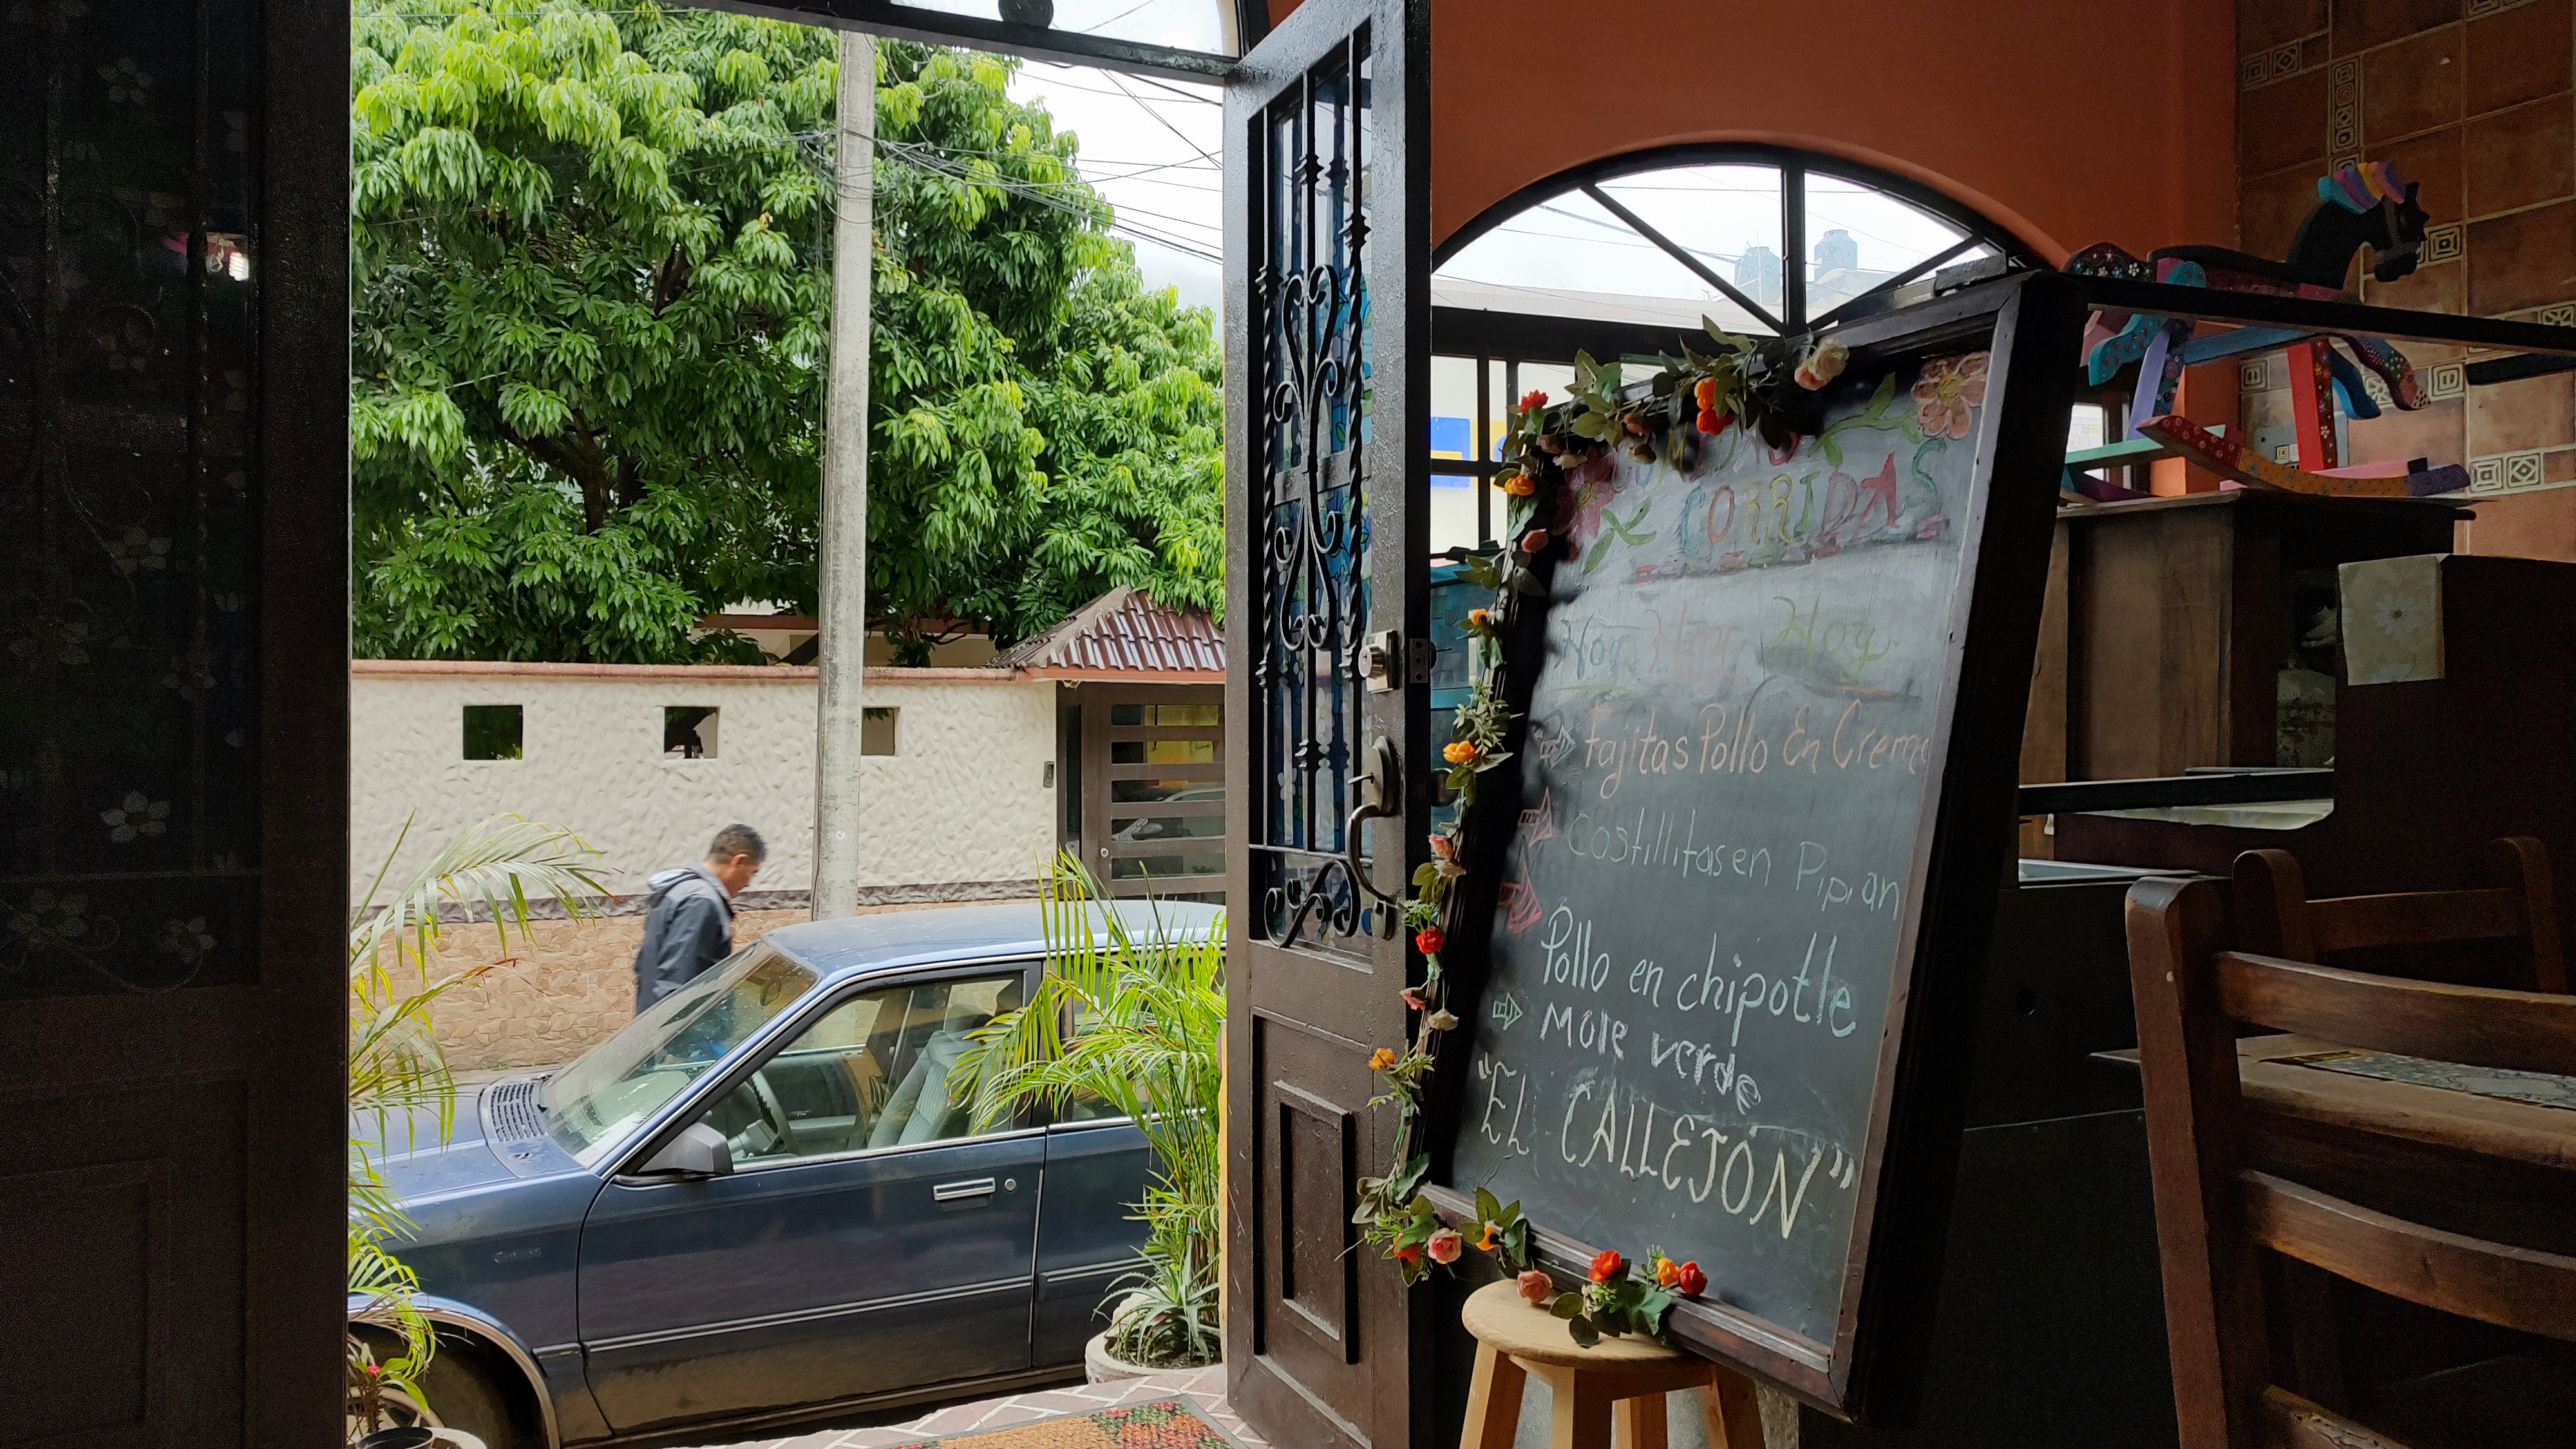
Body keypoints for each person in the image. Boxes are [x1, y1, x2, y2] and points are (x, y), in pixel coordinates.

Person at [633, 823, 766, 1010]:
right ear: (738, 861)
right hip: (676, 1033)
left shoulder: (680, 889)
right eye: (752, 873)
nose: (748, 883)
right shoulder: (701, 902)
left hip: (652, 1023)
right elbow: (680, 986)